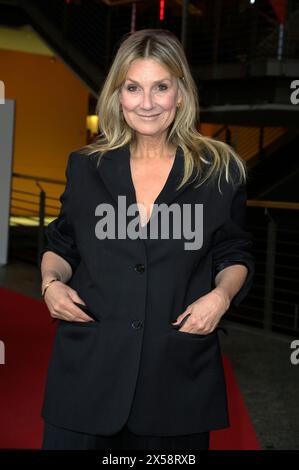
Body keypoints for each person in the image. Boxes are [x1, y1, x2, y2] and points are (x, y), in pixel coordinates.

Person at [40, 28, 255, 450]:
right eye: (133, 87)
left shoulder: (219, 170)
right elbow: (62, 244)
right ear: (118, 95)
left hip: (175, 380)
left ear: (180, 93)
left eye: (161, 87)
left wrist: (220, 298)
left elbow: (234, 252)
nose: (147, 102)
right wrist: (51, 284)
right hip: (87, 375)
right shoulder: (86, 166)